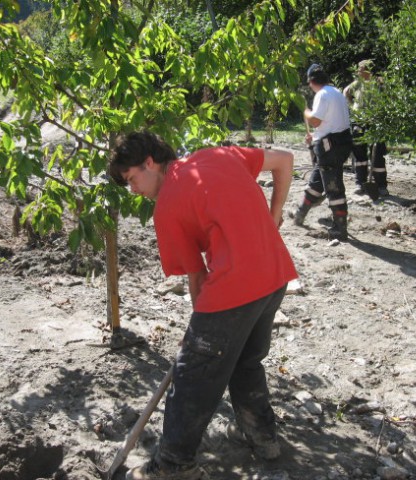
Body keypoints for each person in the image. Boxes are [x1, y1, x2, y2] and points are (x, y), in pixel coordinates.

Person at [109, 131, 298, 480]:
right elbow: (285, 160)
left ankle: (173, 464)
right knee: (245, 360)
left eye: (132, 179)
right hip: (275, 275)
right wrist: (275, 216)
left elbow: (196, 279)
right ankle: (264, 438)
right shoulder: (219, 155)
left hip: (236, 288)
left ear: (150, 162)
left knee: (193, 373)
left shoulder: (167, 207)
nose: (133, 190)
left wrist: (200, 335)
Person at [293, 63, 353, 241]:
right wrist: (316, 137)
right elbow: (331, 122)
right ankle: (300, 214)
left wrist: (306, 112)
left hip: (330, 146)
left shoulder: (322, 94)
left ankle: (339, 228)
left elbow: (316, 121)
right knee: (318, 180)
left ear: (311, 81)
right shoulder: (336, 93)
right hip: (339, 142)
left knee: (333, 186)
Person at [343, 59, 389, 197]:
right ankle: (360, 183)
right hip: (359, 121)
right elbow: (346, 91)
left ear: (368, 70)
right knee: (359, 153)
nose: (358, 72)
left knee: (377, 154)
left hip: (376, 122)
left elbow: (388, 98)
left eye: (360, 69)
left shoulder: (379, 82)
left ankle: (381, 185)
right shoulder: (358, 83)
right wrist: (353, 107)